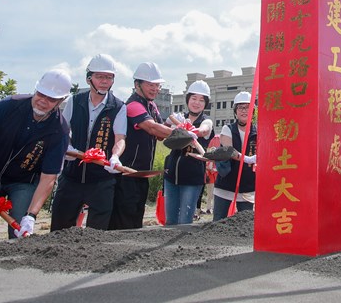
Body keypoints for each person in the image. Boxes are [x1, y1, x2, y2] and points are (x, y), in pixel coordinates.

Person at [0, 69, 71, 239]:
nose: (43, 101)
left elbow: (48, 178)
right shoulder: (9, 105)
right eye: (41, 94)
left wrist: (32, 215)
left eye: (51, 99)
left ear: (61, 100)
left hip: (24, 182)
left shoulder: (59, 130)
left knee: (19, 233)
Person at [50, 54, 127, 231]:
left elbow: (120, 138)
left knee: (98, 233)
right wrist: (66, 147)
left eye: (109, 77)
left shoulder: (118, 106)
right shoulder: (75, 101)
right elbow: (62, 129)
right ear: (89, 78)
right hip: (72, 177)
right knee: (59, 228)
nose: (104, 81)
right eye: (99, 76)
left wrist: (115, 156)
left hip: (101, 179)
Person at [108, 62, 172, 230]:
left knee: (136, 218)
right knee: (125, 220)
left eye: (157, 85)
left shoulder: (151, 106)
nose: (155, 88)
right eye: (150, 84)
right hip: (127, 174)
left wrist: (175, 126)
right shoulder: (133, 105)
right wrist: (183, 135)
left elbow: (159, 135)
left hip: (141, 174)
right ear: (137, 85)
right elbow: (151, 127)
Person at [162, 80, 214, 225]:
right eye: (193, 98)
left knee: (185, 220)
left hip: (192, 178)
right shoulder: (179, 118)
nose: (196, 103)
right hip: (171, 175)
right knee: (170, 220)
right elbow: (160, 135)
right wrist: (168, 123)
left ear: (205, 104)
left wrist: (191, 131)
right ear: (188, 100)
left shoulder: (206, 121)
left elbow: (204, 130)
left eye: (201, 100)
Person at [212, 91, 257, 221]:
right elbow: (228, 150)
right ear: (235, 111)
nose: (244, 111)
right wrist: (247, 159)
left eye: (248, 107)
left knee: (245, 222)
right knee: (219, 221)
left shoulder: (257, 131)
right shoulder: (228, 129)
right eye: (241, 107)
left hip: (248, 186)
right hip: (226, 184)